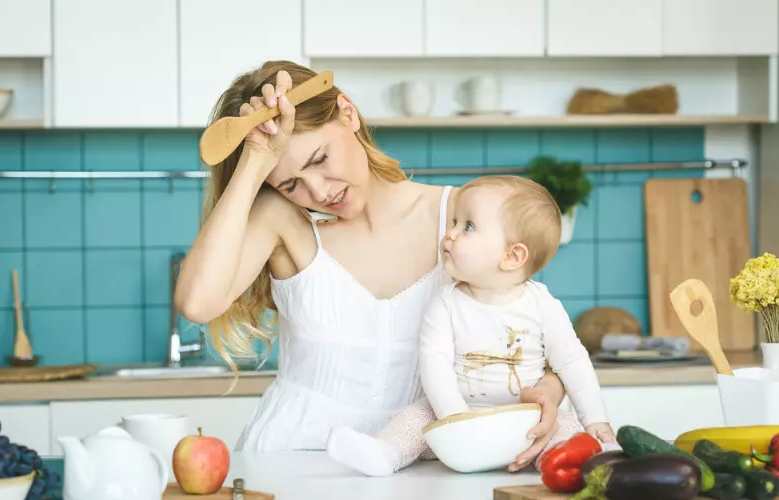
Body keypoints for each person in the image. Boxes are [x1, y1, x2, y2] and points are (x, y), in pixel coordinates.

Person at [174, 60, 567, 469]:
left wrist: (550, 392)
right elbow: (197, 303)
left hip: (424, 463)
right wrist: (255, 162)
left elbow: (536, 337)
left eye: (320, 159)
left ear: (348, 113)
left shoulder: (460, 218)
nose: (319, 191)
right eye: (290, 184)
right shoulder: (286, 223)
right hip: (291, 459)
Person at [326, 175, 615, 477]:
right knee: (415, 418)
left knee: (565, 426)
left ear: (512, 256)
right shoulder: (446, 303)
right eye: (453, 222)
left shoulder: (542, 305)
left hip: (525, 418)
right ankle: (382, 452)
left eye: (467, 226)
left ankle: (571, 465)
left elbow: (571, 361)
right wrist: (453, 417)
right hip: (459, 413)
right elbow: (434, 362)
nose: (449, 234)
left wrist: (595, 418)